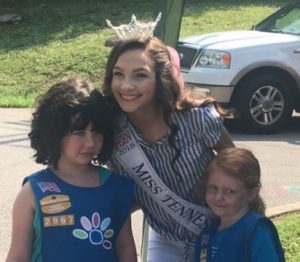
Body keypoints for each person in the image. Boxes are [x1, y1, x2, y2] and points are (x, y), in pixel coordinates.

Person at [102, 36, 234, 261]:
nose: (126, 85)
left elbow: (237, 168)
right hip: (166, 240)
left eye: (140, 75)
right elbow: (129, 194)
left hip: (219, 235)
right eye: (118, 74)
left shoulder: (197, 118)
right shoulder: (113, 134)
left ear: (160, 78)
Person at [6, 77, 137, 262]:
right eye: (79, 132)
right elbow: (18, 256)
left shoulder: (117, 187)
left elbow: (125, 248)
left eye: (96, 131)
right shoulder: (33, 192)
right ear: (54, 133)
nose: (90, 142)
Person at [194, 147, 285, 262]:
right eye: (214, 188)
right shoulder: (207, 234)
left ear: (251, 194)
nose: (218, 197)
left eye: (229, 191)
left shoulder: (257, 231)